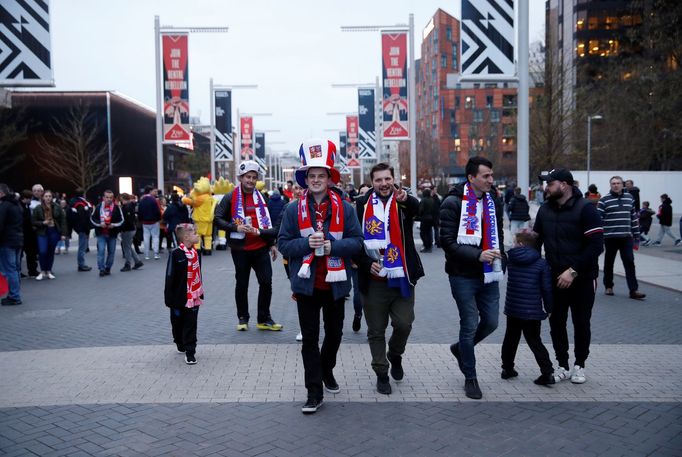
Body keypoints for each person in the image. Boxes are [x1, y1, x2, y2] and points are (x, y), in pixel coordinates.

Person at [277, 139, 363, 414]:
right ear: (305, 179)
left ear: (329, 178)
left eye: (321, 175)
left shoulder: (346, 209)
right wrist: (307, 245)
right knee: (310, 339)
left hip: (336, 284)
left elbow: (357, 242)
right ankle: (314, 391)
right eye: (311, 176)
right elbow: (283, 244)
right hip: (307, 285)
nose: (316, 180)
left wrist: (331, 247)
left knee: (335, 334)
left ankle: (327, 369)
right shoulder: (293, 209)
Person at [354, 162, 424, 395]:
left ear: (393, 179)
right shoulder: (362, 204)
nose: (383, 184)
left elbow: (420, 210)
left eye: (387, 179)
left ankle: (395, 354)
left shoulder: (403, 201)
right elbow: (354, 241)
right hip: (373, 278)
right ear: (372, 182)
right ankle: (381, 372)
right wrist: (366, 264)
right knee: (376, 329)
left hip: (402, 275)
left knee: (404, 324)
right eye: (378, 180)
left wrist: (405, 199)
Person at [439, 156, 505, 399]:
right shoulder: (452, 203)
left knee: (491, 323)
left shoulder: (493, 201)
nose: (491, 180)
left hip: (489, 273)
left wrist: (502, 258)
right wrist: (478, 255)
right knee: (468, 325)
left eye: (491, 175)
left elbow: (497, 233)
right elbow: (445, 242)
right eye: (486, 176)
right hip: (462, 275)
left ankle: (460, 350)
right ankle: (470, 377)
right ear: (471, 178)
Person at [534, 168, 604, 384]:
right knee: (557, 322)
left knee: (581, 322)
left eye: (550, 183)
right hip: (555, 278)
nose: (546, 187)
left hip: (582, 277)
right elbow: (536, 243)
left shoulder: (586, 210)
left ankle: (579, 365)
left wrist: (572, 271)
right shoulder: (544, 210)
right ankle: (562, 365)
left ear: (564, 185)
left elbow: (596, 246)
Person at [215, 160, 282, 331]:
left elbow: (268, 224)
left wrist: (272, 244)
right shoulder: (230, 197)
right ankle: (243, 318)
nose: (250, 181)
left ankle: (264, 318)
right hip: (240, 249)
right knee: (242, 284)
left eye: (253, 177)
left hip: (260, 248)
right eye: (247, 177)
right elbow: (217, 219)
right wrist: (235, 227)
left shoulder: (262, 197)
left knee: (266, 282)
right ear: (240, 178)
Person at [500, 230, 554, 386]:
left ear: (521, 244)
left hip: (513, 308)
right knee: (535, 341)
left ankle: (507, 369)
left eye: (516, 242)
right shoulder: (541, 263)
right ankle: (547, 372)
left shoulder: (511, 259)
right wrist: (549, 308)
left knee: (510, 338)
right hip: (532, 310)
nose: (514, 244)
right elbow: (546, 288)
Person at [597, 176, 645, 300]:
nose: (616, 185)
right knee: (609, 263)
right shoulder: (604, 200)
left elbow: (633, 217)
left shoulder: (629, 198)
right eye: (613, 183)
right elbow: (598, 220)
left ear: (622, 185)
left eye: (618, 183)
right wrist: (598, 238)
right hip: (610, 237)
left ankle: (633, 290)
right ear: (610, 185)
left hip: (626, 237)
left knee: (629, 262)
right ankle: (608, 286)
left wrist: (637, 236)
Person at [164, 223, 204, 365]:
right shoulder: (176, 254)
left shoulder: (196, 253)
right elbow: (169, 277)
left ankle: (190, 351)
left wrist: (200, 291)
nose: (197, 236)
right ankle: (179, 342)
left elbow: (198, 273)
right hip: (178, 298)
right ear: (186, 237)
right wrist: (169, 299)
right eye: (195, 233)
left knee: (191, 324)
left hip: (193, 296)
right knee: (177, 324)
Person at [31, 190, 68, 280]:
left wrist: (63, 234)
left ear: (52, 197)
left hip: (53, 231)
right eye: (46, 196)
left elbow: (63, 221)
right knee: (42, 251)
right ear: (43, 197)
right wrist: (43, 223)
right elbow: (33, 221)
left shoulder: (57, 207)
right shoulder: (38, 208)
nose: (48, 198)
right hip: (42, 232)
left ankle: (49, 271)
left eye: (49, 196)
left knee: (51, 252)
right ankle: (42, 271)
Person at [90, 190, 124, 277]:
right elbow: (92, 218)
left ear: (113, 198)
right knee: (101, 251)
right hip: (101, 233)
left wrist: (114, 225)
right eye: (107, 197)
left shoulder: (116, 207)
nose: (109, 199)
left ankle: (108, 268)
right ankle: (101, 269)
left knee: (111, 252)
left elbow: (121, 220)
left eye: (111, 197)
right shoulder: (98, 207)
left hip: (112, 234)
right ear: (103, 198)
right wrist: (99, 224)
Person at [0, 184, 24, 306]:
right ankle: (15, 294)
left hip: (7, 241)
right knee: (15, 269)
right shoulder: (17, 204)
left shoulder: (5, 206)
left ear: (1, 193)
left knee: (10, 269)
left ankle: (14, 296)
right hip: (18, 239)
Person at [68, 189, 93, 272]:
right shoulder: (80, 203)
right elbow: (83, 217)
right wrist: (86, 229)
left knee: (82, 247)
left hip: (79, 227)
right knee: (82, 247)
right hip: (83, 227)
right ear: (83, 194)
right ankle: (81, 265)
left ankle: (81, 264)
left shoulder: (74, 202)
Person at [119, 193, 144, 272]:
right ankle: (137, 261)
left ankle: (128, 263)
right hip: (131, 228)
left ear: (123, 198)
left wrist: (121, 227)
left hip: (127, 229)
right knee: (128, 246)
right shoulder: (130, 206)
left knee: (126, 247)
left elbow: (127, 220)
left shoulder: (126, 207)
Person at [137, 186, 161, 260]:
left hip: (145, 222)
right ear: (150, 191)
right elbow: (158, 210)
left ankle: (146, 255)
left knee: (146, 238)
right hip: (154, 221)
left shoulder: (142, 200)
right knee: (155, 237)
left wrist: (141, 220)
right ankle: (156, 254)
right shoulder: (154, 200)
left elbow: (139, 211)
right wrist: (159, 218)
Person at [20, 190, 38, 277]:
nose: (31, 200)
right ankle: (32, 270)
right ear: (26, 198)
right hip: (26, 234)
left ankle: (32, 270)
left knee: (29, 253)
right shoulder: (22, 208)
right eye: (30, 198)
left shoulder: (24, 206)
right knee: (29, 253)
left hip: (27, 234)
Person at [417, 188, 438, 253]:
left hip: (424, 218)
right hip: (431, 218)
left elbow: (420, 210)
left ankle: (426, 246)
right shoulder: (432, 200)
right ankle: (429, 246)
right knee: (429, 232)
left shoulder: (423, 200)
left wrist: (418, 215)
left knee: (423, 233)